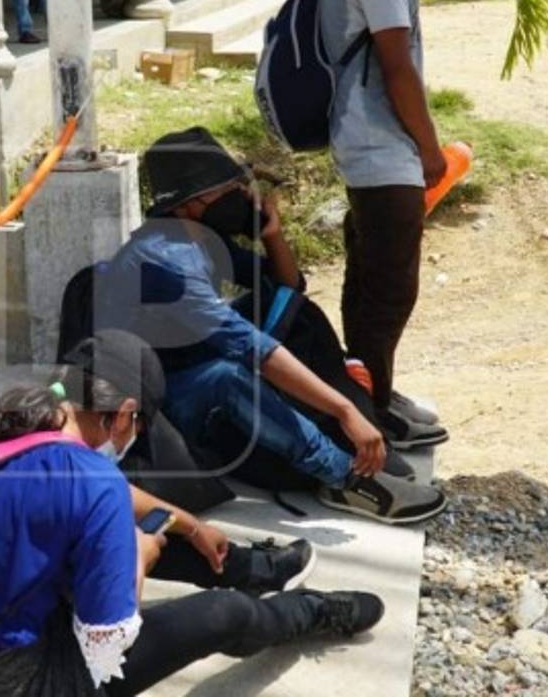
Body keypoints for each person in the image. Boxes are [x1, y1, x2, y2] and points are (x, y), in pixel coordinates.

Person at [0, 331, 384, 696]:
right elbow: (109, 646)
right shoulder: (97, 483)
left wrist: (191, 526)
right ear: (125, 414)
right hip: (19, 684)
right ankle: (307, 611)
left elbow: (113, 494)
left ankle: (249, 568)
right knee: (223, 613)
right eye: (141, 424)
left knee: (146, 526)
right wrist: (139, 557)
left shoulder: (3, 426)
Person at [95, 128, 448, 524]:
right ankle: (346, 477)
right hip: (164, 394)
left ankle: (365, 423)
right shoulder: (163, 263)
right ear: (186, 206)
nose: (242, 196)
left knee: (297, 309)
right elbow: (253, 349)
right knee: (227, 376)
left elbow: (287, 286)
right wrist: (343, 408)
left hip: (193, 352)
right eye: (227, 190)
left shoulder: (200, 238)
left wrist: (273, 233)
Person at [319, 0, 451, 443]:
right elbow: (398, 66)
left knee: (371, 276)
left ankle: (373, 389)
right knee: (390, 286)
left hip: (367, 137)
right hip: (379, 142)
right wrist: (429, 148)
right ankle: (370, 411)